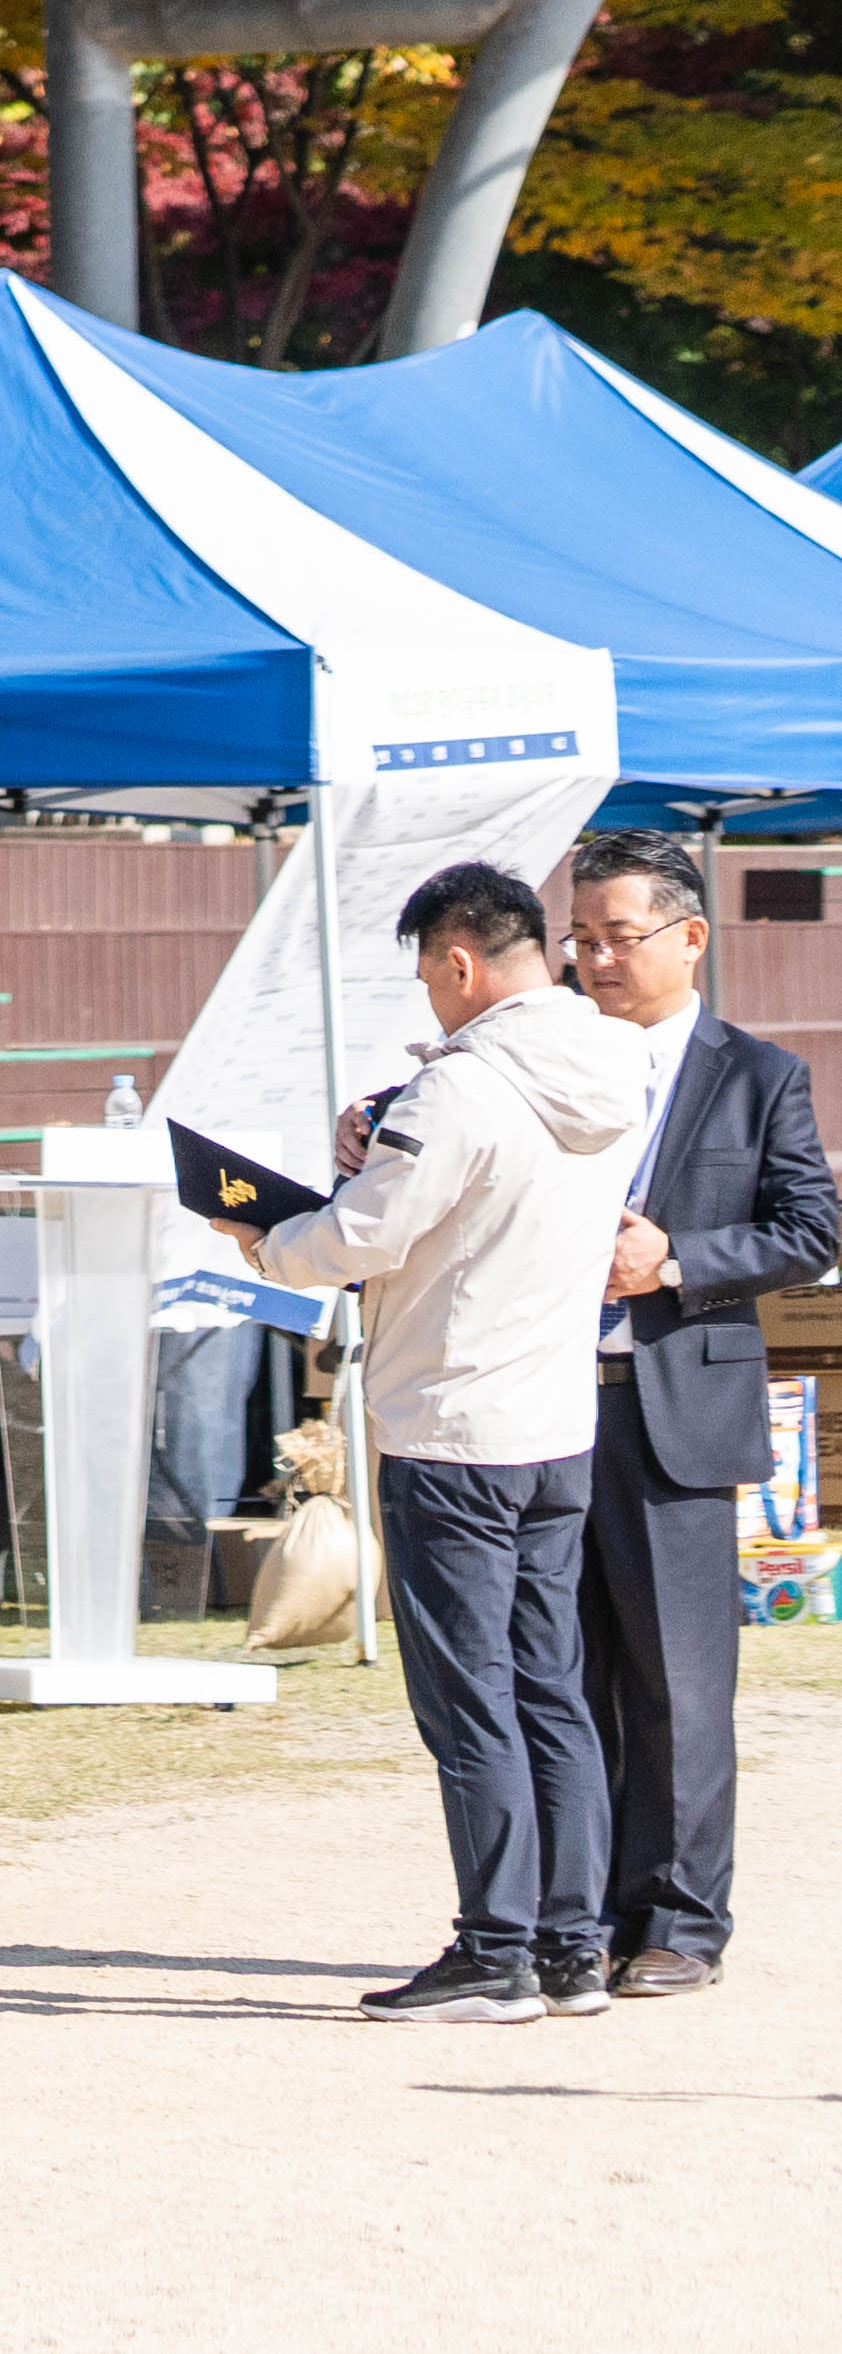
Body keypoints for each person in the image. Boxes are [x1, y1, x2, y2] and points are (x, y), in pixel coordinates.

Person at [234, 861, 639, 2024]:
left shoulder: (457, 1088)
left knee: (467, 1700)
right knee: (550, 1690)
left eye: (425, 977)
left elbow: (364, 1235)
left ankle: (492, 1949)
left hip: (450, 1425)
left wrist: (260, 1235)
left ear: (458, 962)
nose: (427, 998)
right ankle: (568, 1947)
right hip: (554, 1419)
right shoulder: (611, 1059)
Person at [554, 832, 836, 1998]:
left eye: (617, 936)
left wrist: (674, 1261)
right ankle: (571, 1915)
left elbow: (808, 1229)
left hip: (671, 1405)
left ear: (687, 937)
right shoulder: (541, 1057)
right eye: (578, 938)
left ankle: (678, 1921)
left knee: (676, 1681)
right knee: (560, 1676)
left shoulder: (756, 1075)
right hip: (541, 1409)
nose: (595, 960)